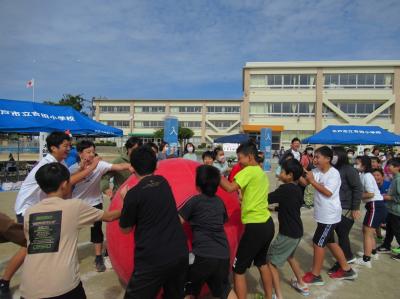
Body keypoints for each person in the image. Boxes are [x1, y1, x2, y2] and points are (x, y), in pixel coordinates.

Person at [0, 132, 99, 295]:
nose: (69, 149)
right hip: (29, 210)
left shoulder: (60, 163)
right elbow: (70, 181)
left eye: (70, 146)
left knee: (42, 246)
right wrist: (92, 168)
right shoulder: (48, 164)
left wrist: (82, 168)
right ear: (53, 148)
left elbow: (69, 180)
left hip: (42, 209)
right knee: (31, 246)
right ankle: (4, 281)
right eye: (65, 146)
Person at [19, 162, 121, 299]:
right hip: (63, 287)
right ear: (64, 184)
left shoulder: (30, 212)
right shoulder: (75, 206)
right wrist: (125, 200)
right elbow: (109, 217)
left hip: (28, 289)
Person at [119, 146, 188, 299]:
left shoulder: (133, 194)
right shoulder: (163, 182)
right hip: (179, 253)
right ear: (156, 165)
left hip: (152, 259)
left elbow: (125, 229)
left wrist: (126, 201)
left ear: (132, 168)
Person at [220, 142, 275, 299]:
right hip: (267, 224)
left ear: (250, 157)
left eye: (240, 159)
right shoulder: (260, 172)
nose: (239, 162)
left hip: (255, 227)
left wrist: (215, 174)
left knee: (238, 269)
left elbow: (230, 187)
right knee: (261, 263)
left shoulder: (249, 170)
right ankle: (269, 296)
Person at [69, 140, 132, 272]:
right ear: (80, 154)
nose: (92, 155)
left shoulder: (100, 165)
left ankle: (98, 257)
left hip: (95, 202)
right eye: (88, 152)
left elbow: (119, 166)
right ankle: (70, 257)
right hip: (76, 203)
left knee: (97, 230)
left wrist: (131, 166)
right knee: (72, 231)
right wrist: (87, 167)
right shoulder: (73, 169)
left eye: (93, 151)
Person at [179, 165, 237, 299]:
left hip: (203, 255)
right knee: (224, 290)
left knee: (190, 290)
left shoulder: (194, 201)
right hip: (223, 255)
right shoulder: (219, 202)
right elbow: (222, 221)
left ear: (197, 185)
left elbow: (176, 222)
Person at [302, 146, 357, 284]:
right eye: (314, 156)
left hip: (330, 216)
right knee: (330, 242)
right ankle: (347, 269)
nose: (315, 159)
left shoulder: (334, 173)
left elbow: (328, 192)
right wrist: (298, 173)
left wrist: (312, 181)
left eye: (317, 157)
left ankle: (316, 275)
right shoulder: (317, 171)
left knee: (318, 243)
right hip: (323, 215)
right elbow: (306, 181)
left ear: (327, 159)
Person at [267, 159, 309, 298]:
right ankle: (302, 284)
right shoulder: (297, 188)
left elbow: (266, 198)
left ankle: (278, 295)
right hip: (297, 231)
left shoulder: (284, 189)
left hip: (287, 233)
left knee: (271, 262)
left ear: (290, 175)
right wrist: (277, 208)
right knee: (290, 256)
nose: (279, 172)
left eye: (282, 171)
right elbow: (290, 204)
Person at [327, 147, 362, 275]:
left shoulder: (349, 170)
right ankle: (346, 256)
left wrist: (355, 208)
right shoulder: (333, 169)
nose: (332, 157)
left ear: (340, 155)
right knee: (341, 234)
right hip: (336, 207)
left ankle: (344, 261)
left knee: (341, 234)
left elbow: (358, 189)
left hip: (346, 208)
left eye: (334, 155)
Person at [354, 156, 387, 268]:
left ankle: (366, 259)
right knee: (367, 230)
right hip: (374, 205)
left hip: (375, 205)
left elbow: (370, 193)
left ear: (364, 165)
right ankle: (372, 252)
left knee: (367, 231)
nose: (356, 165)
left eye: (357, 163)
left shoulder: (367, 176)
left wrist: (356, 195)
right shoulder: (364, 175)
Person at [377, 158, 400, 260]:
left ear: (397, 167)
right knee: (390, 229)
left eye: (390, 165)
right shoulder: (394, 178)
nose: (388, 167)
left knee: (397, 231)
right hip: (391, 209)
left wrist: (388, 197)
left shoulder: (398, 179)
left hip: (397, 211)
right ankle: (386, 245)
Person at [373, 168, 391, 242]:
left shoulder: (389, 184)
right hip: (378, 208)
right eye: (373, 175)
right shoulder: (372, 186)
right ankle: (379, 237)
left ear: (383, 176)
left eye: (378, 175)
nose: (376, 177)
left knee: (391, 226)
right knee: (376, 222)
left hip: (389, 209)